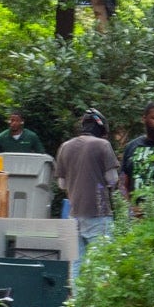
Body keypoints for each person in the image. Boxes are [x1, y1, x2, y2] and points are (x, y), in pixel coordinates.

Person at [56, 110, 121, 257]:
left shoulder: (65, 147)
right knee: (101, 264)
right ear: (101, 129)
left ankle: (74, 282)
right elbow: (113, 180)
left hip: (74, 216)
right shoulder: (103, 145)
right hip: (99, 215)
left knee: (76, 264)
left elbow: (61, 184)